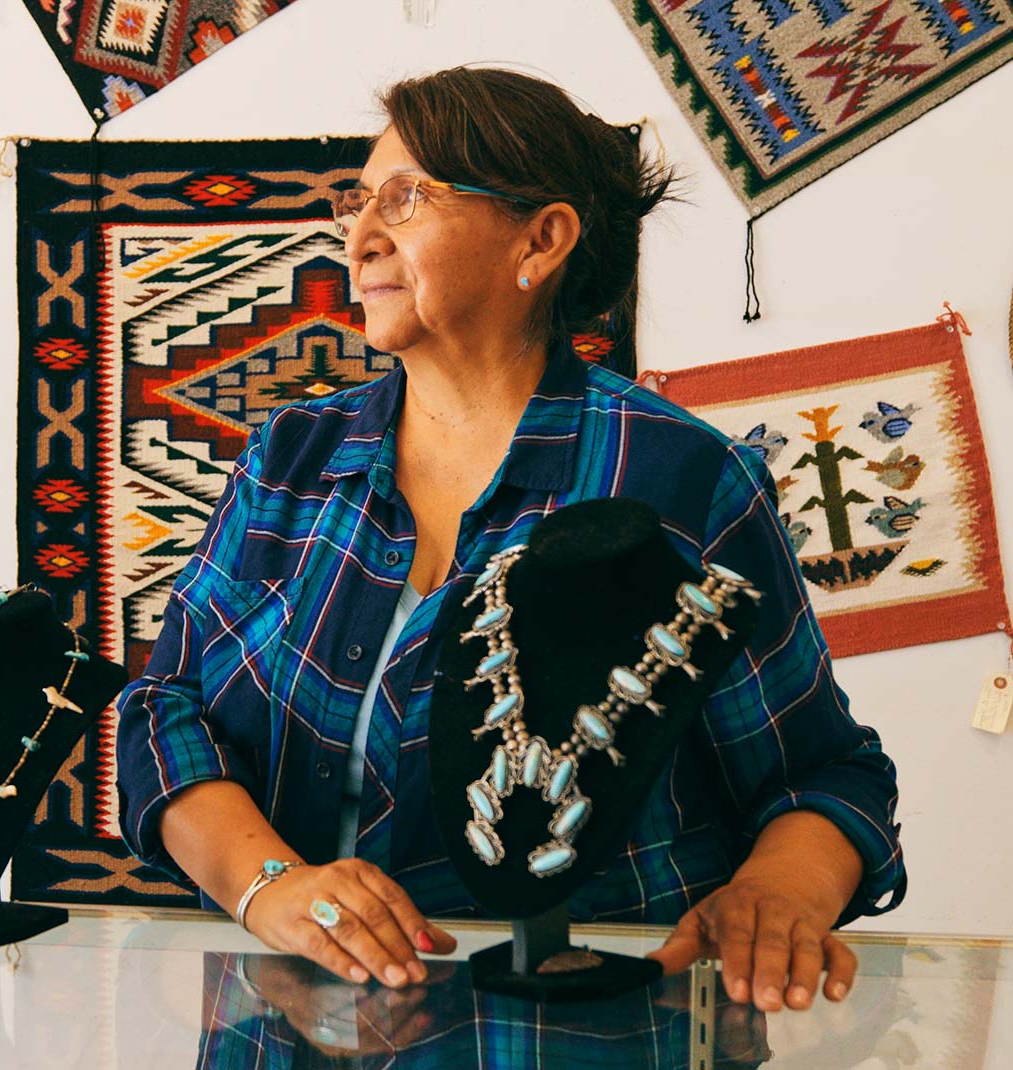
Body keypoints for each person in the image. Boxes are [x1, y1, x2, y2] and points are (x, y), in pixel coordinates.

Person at [116, 66, 906, 1013]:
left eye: (404, 200)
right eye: (356, 203)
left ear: (541, 239)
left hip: (583, 1036)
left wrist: (779, 892)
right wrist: (268, 883)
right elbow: (162, 712)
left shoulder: (682, 480)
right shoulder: (290, 458)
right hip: (289, 1029)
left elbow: (827, 774)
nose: (359, 238)